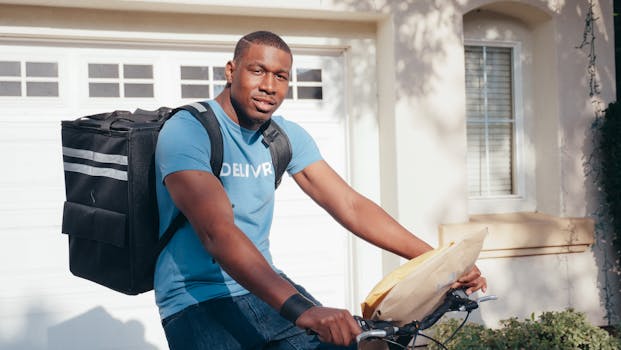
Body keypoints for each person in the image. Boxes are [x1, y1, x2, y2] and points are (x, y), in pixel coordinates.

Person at [154, 30, 487, 349]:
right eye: (258, 71)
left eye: (280, 76)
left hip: (265, 290)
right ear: (231, 70)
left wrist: (441, 263)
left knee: (369, 344)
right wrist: (303, 310)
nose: (269, 86)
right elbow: (217, 233)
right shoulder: (188, 130)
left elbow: (350, 205)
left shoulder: (283, 136)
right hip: (196, 299)